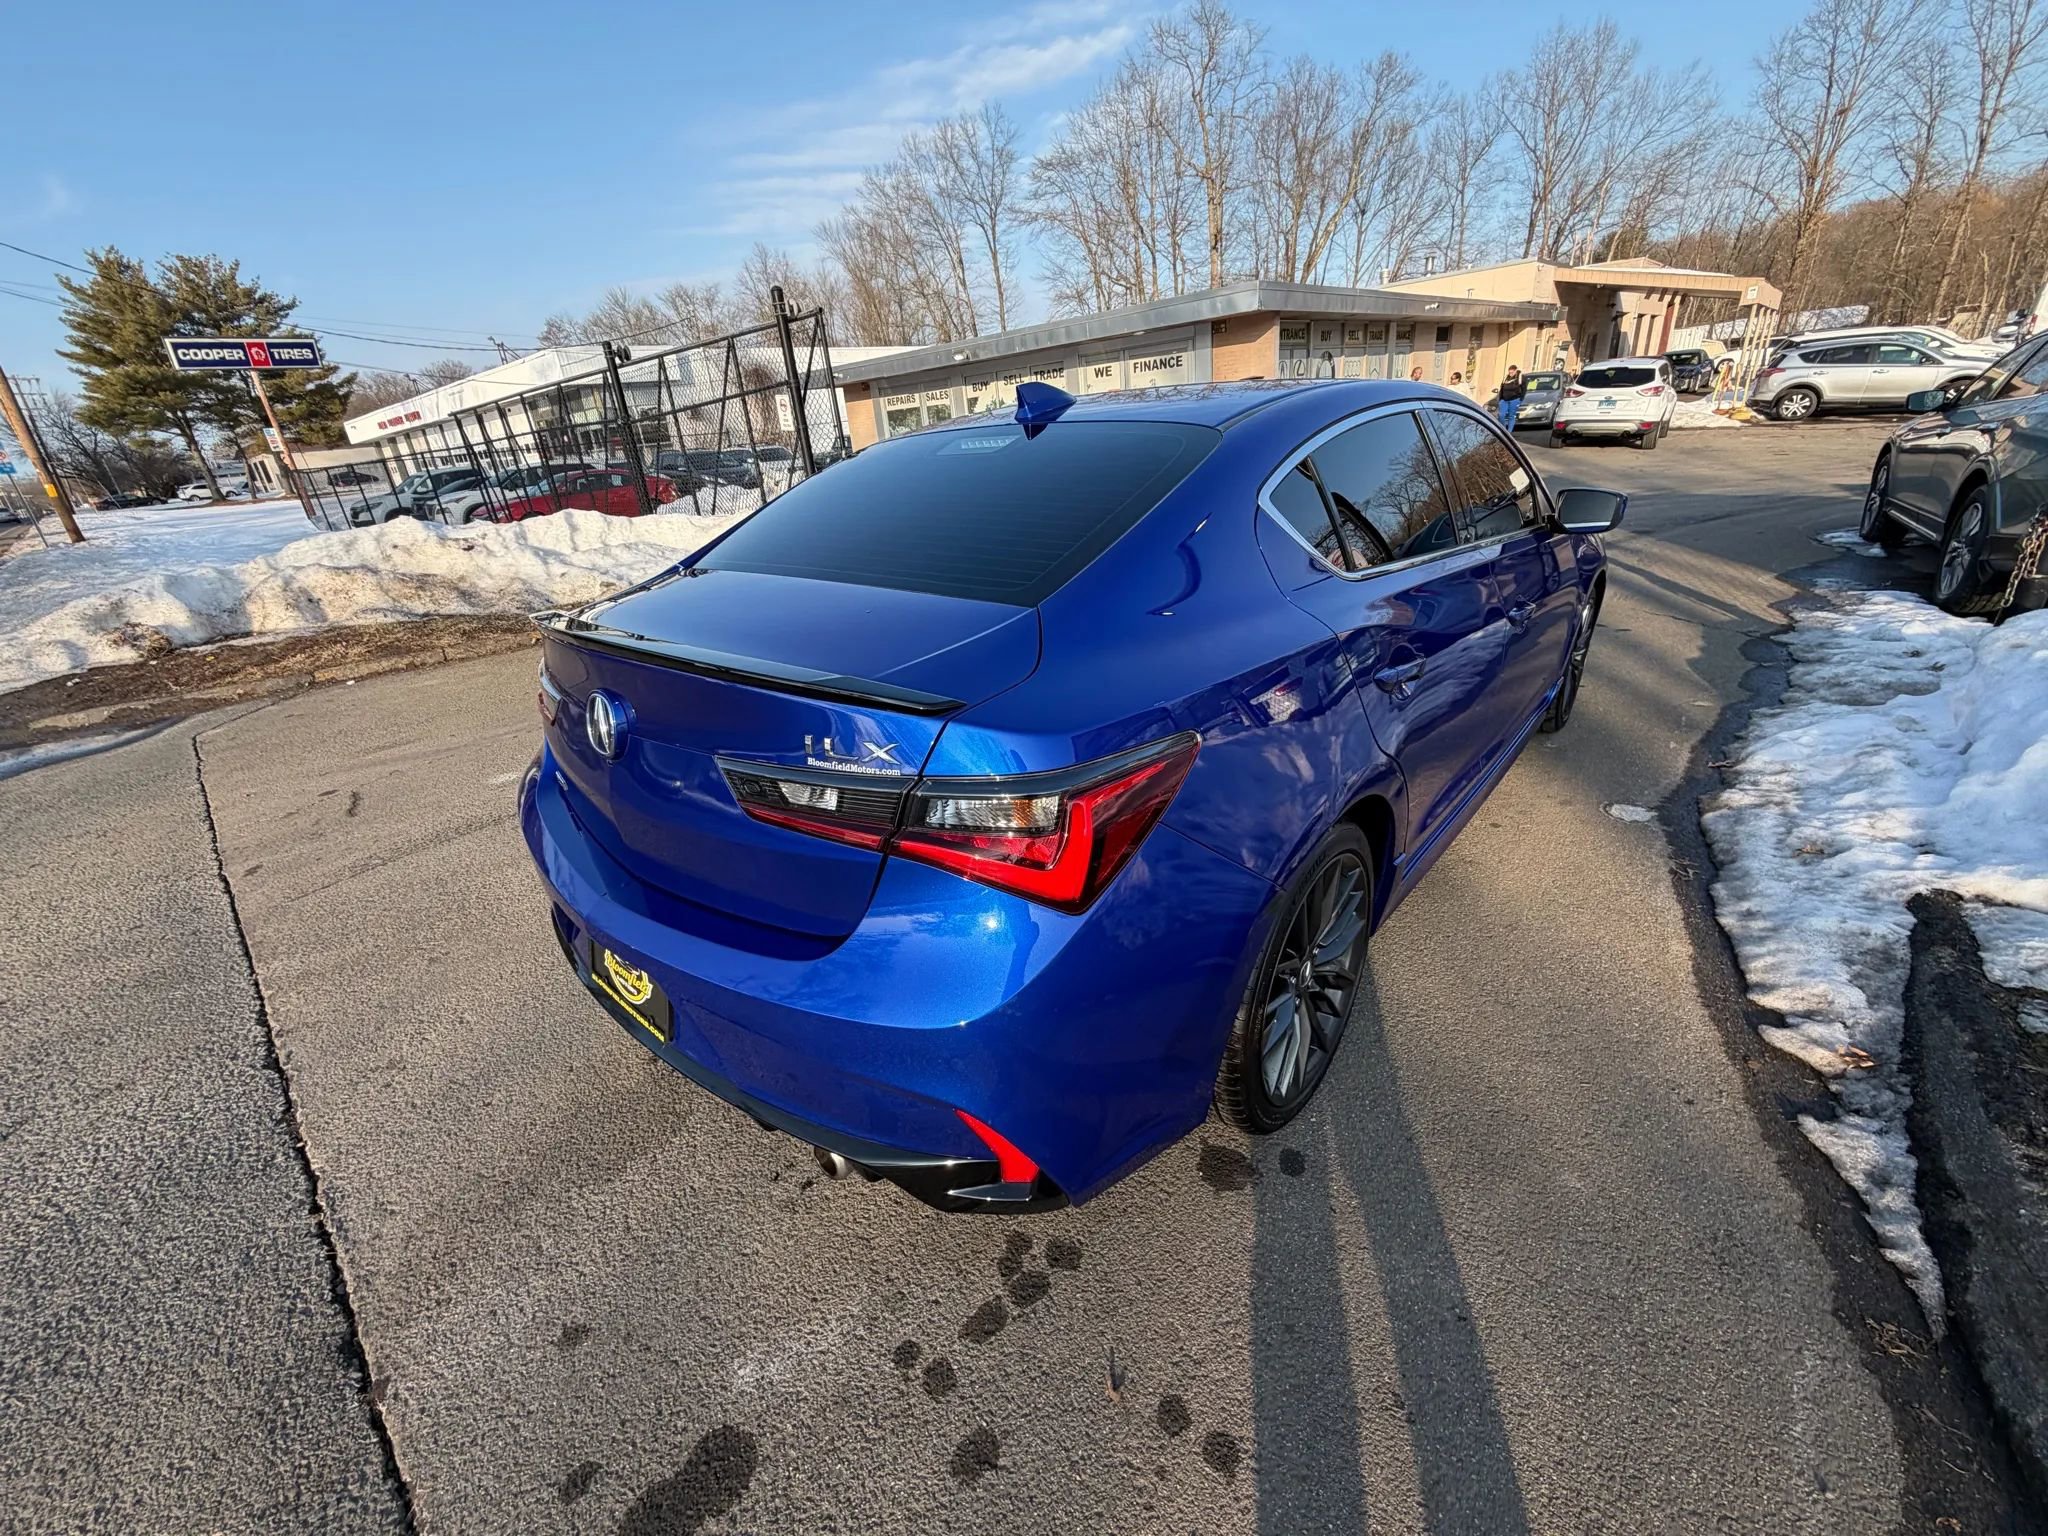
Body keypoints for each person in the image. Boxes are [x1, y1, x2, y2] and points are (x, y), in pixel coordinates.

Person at [1497, 365, 1526, 430]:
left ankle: (1509, 432)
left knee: (1511, 416)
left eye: (1512, 372)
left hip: (1514, 399)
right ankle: (1503, 430)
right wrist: (1500, 399)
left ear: (1515, 371)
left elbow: (1524, 389)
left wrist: (1521, 399)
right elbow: (1501, 388)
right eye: (1509, 372)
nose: (1510, 374)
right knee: (1501, 415)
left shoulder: (1520, 377)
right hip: (1504, 400)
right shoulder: (1506, 378)